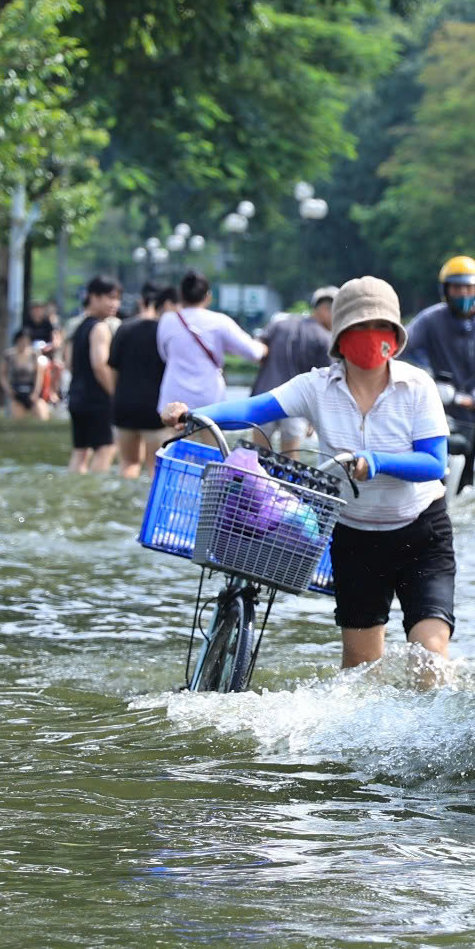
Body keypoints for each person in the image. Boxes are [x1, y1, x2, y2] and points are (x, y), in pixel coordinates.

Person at [165, 276, 454, 674]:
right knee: (359, 669)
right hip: (355, 538)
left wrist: (378, 461)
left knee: (429, 659)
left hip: (421, 532)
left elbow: (435, 463)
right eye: (360, 328)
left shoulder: (417, 386)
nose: (371, 336)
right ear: (340, 337)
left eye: (380, 327)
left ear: (395, 336)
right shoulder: (316, 387)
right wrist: (192, 415)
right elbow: (254, 410)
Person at [402, 255, 475, 496]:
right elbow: (402, 347)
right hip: (453, 410)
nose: (463, 293)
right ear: (445, 290)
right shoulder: (429, 320)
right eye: (456, 288)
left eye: (469, 287)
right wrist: (428, 376)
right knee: (458, 478)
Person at [157, 269, 266, 423]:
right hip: (209, 398)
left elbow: (164, 355)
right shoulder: (220, 321)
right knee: (211, 444)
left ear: (181, 295)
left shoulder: (167, 320)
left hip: (174, 396)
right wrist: (264, 348)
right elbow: (254, 352)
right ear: (208, 296)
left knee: (174, 444)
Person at [251, 286, 336, 453]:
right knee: (289, 462)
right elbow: (326, 381)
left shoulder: (280, 323)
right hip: (296, 405)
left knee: (256, 458)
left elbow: (258, 349)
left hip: (264, 398)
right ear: (325, 309)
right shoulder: (324, 337)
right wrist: (315, 418)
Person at [110, 281, 176, 478]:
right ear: (165, 304)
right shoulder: (165, 332)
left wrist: (118, 395)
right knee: (155, 469)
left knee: (128, 464)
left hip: (124, 406)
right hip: (155, 409)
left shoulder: (124, 328)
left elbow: (112, 368)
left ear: (142, 301)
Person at [67, 276, 123, 474]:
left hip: (76, 397)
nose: (115, 304)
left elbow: (69, 363)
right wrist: (115, 396)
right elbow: (100, 365)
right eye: (110, 298)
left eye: (117, 299)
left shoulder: (80, 326)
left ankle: (75, 488)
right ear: (94, 297)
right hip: (96, 400)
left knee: (80, 451)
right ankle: (94, 491)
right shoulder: (100, 328)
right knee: (106, 448)